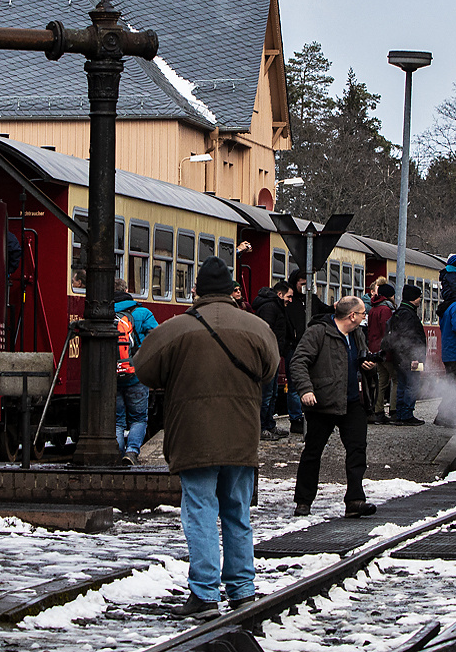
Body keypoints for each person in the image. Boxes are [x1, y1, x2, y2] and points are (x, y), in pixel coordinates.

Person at [131, 257, 279, 620]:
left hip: (193, 435)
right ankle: (243, 591)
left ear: (195, 290)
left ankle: (204, 595)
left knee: (199, 512)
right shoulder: (257, 328)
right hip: (241, 435)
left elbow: (143, 368)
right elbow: (272, 368)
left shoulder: (175, 329)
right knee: (237, 512)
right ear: (232, 290)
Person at [288, 296, 380, 518]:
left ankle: (355, 500)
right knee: (313, 452)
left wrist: (367, 365)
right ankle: (303, 501)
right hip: (323, 402)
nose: (364, 316)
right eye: (362, 313)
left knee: (357, 450)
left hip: (352, 402)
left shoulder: (357, 334)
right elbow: (299, 361)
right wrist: (306, 390)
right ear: (352, 316)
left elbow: (357, 360)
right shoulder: (319, 332)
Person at [251, 281, 303, 440]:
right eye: (289, 296)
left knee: (272, 393)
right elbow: (266, 332)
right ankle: (262, 428)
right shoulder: (270, 308)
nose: (290, 300)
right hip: (267, 357)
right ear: (279, 294)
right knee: (266, 395)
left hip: (274, 354)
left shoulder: (276, 307)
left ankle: (269, 425)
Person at [113, 279, 157, 462]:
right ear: (127, 290)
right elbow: (157, 336)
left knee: (117, 421)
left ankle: (116, 452)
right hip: (136, 374)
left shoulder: (103, 315)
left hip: (111, 376)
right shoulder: (142, 313)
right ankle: (132, 452)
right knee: (139, 418)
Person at [386, 287, 428, 425]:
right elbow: (408, 338)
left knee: (403, 384)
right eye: (419, 297)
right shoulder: (408, 315)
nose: (420, 299)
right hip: (411, 358)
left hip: (401, 357)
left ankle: (400, 414)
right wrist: (414, 358)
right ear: (413, 298)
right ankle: (406, 415)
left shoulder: (400, 312)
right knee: (412, 384)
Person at [366, 284, 395, 424]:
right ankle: (394, 410)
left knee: (381, 381)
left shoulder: (373, 309)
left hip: (374, 349)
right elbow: (387, 331)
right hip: (385, 351)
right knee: (396, 378)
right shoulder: (386, 310)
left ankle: (378, 410)